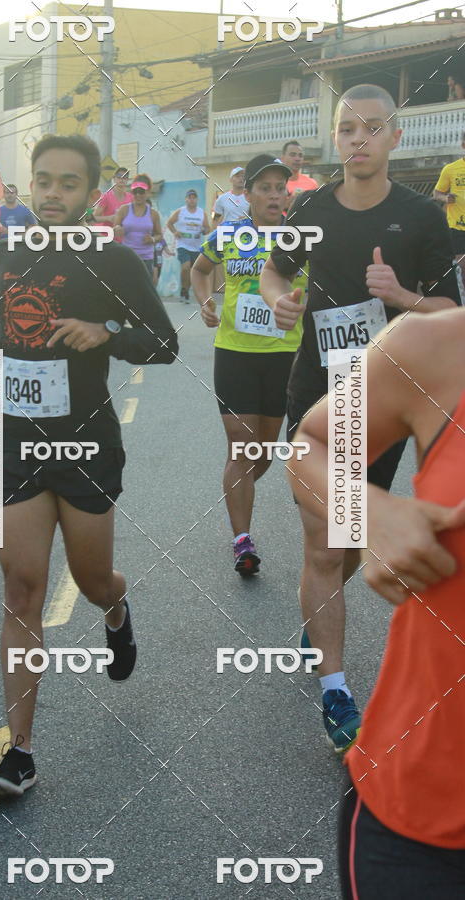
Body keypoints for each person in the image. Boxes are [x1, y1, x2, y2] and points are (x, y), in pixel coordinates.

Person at [0, 134, 178, 798]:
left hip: (85, 444)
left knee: (90, 581)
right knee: (23, 587)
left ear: (91, 194)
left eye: (67, 183)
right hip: (16, 442)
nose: (53, 193)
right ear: (29, 187)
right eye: (43, 181)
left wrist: (107, 333)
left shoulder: (112, 260)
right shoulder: (3, 256)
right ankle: (19, 753)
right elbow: (1, 339)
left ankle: (116, 610)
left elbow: (165, 342)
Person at [260, 83, 461, 753]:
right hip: (315, 401)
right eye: (348, 128)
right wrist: (282, 299)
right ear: (335, 136)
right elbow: (272, 270)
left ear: (394, 138)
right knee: (325, 545)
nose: (359, 139)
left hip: (383, 409)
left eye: (373, 128)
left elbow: (451, 315)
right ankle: (338, 692)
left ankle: (318, 619)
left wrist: (400, 295)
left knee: (345, 545)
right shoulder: (311, 207)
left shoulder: (422, 218)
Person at [289, 308, 465, 898]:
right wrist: (369, 511)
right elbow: (309, 445)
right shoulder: (436, 345)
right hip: (428, 812)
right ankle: (332, 685)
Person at [192, 154, 307, 575]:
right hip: (235, 353)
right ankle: (243, 539)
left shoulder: (302, 238)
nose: (275, 195)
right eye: (266, 188)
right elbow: (200, 269)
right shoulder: (230, 234)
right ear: (250, 194)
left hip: (283, 357)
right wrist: (204, 299)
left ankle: (234, 488)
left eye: (281, 188)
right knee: (241, 445)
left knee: (262, 454)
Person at [113, 174, 163, 276]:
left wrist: (152, 239)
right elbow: (114, 228)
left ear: (148, 192)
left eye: (141, 192)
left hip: (146, 258)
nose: (138, 195)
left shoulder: (153, 214)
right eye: (135, 192)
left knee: (144, 290)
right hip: (127, 257)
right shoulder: (124, 210)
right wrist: (117, 229)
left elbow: (159, 235)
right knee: (127, 290)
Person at [166, 189, 209, 303]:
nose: (192, 199)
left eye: (194, 197)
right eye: (189, 197)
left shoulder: (201, 212)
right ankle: (184, 289)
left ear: (197, 199)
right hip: (183, 244)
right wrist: (175, 232)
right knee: (185, 267)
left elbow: (207, 228)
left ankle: (185, 290)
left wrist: (204, 231)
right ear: (186, 199)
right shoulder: (181, 211)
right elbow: (169, 223)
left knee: (191, 270)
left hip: (196, 245)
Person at [434, 131, 465, 259]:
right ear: (463, 145)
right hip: (457, 227)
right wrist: (445, 198)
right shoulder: (450, 169)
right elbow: (436, 193)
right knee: (461, 267)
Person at [94, 167, 132, 242]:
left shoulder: (131, 198)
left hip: (125, 240)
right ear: (114, 179)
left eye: (125, 177)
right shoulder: (106, 197)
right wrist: (109, 218)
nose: (122, 179)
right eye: (119, 177)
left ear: (127, 180)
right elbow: (94, 218)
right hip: (108, 239)